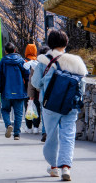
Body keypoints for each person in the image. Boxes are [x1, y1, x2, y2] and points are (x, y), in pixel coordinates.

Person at [31, 29, 87, 181]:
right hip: (70, 105)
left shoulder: (44, 60)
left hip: (50, 105)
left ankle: (54, 167)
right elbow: (82, 87)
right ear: (66, 43)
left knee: (52, 135)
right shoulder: (76, 62)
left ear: (50, 43)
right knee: (68, 135)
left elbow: (35, 82)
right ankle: (66, 168)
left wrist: (45, 82)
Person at [0, 42, 29, 140]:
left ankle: (8, 125)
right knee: (18, 113)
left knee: (5, 110)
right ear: (14, 50)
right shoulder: (21, 61)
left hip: (6, 91)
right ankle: (17, 134)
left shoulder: (3, 62)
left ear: (5, 51)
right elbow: (27, 75)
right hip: (19, 92)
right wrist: (27, 89)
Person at [23, 44, 41, 134]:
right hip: (37, 90)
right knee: (36, 108)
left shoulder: (24, 62)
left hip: (25, 90)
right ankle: (36, 127)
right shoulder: (38, 63)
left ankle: (28, 127)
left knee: (28, 108)